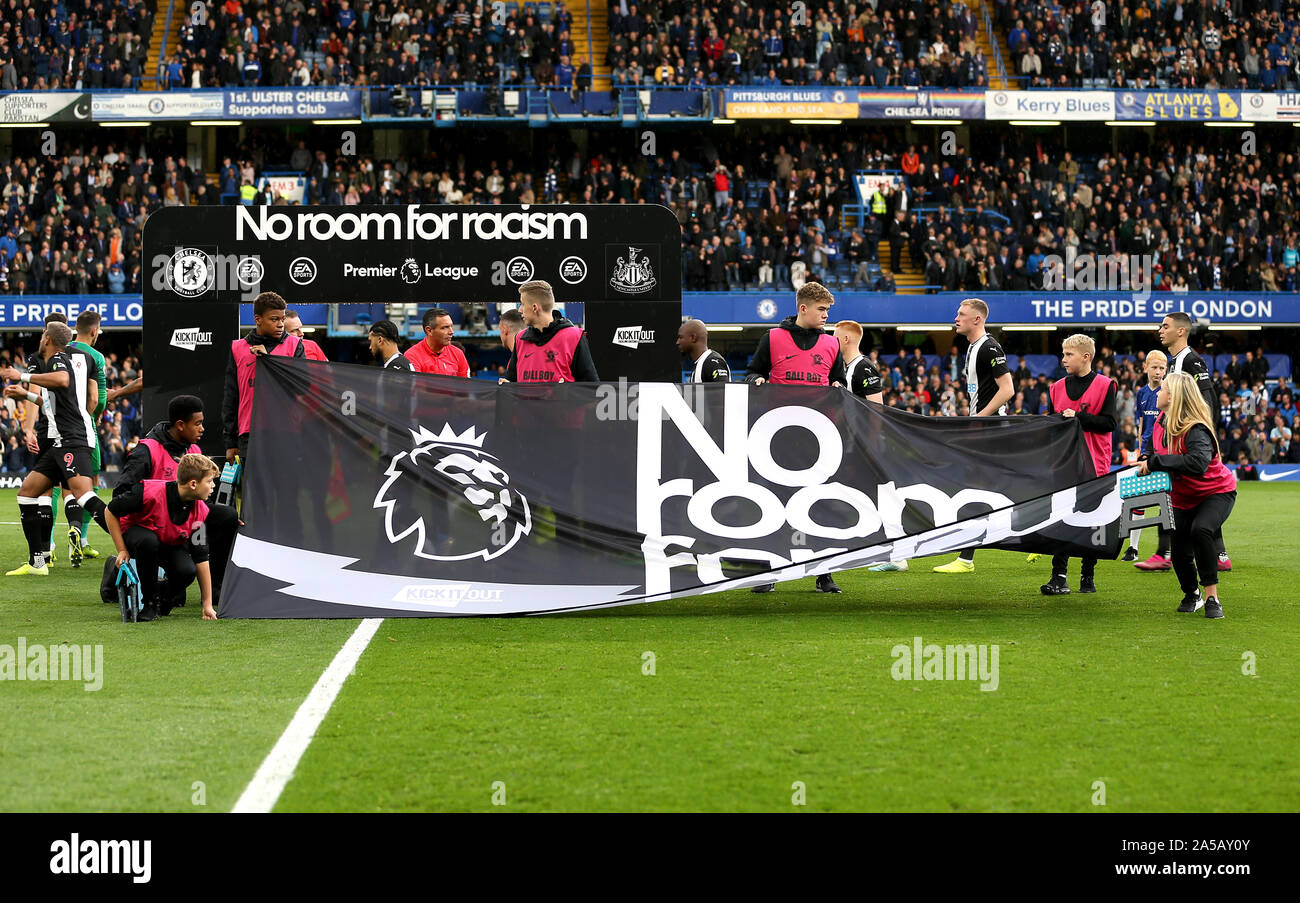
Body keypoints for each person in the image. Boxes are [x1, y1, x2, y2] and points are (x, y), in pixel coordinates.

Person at [746, 281, 846, 594]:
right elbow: (750, 373)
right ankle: (768, 572)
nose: (826, 315)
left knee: (819, 506)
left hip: (818, 439)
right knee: (771, 505)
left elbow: (838, 381)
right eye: (821, 309)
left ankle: (824, 573)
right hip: (775, 437)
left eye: (828, 310)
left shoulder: (832, 345)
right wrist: (757, 380)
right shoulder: (772, 337)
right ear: (803, 308)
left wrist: (839, 388)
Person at [1, 322, 108, 576]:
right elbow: (52, 402)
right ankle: (37, 562)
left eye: (42, 335)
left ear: (47, 338)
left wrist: (22, 377)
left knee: (83, 496)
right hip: (59, 440)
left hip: (72, 439)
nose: (40, 338)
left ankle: (130, 542)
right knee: (27, 492)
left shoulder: (59, 359)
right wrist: (24, 395)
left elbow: (62, 380)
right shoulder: (54, 362)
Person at [114, 394, 239, 604]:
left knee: (227, 516)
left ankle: (215, 589)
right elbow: (119, 500)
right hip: (148, 528)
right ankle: (120, 573)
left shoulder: (194, 450)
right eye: (197, 424)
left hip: (181, 523)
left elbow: (199, 501)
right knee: (174, 581)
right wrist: (123, 548)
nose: (202, 429)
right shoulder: (147, 451)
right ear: (180, 425)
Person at [1137, 372, 1237, 619]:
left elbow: (1198, 463)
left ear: (1173, 397)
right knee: (1179, 550)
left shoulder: (1195, 427)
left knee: (1201, 530)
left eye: (1162, 389)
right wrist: (1144, 460)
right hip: (1182, 497)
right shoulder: (1161, 419)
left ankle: (1212, 597)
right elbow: (1151, 449)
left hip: (1216, 492)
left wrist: (1156, 461)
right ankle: (1192, 594)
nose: (1158, 393)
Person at [934, 297, 1014, 574]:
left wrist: (980, 417)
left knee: (973, 490)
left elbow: (1007, 389)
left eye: (961, 313)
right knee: (981, 490)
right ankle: (966, 555)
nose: (956, 317)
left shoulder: (989, 347)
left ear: (977, 319)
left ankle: (966, 558)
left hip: (989, 430)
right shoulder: (973, 348)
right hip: (982, 428)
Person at [1039, 334, 1116, 596]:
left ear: (1086, 357)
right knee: (1061, 519)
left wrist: (1078, 417)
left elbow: (1109, 423)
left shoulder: (1106, 385)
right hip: (1064, 463)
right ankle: (1058, 575)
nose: (1063, 359)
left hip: (1095, 462)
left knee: (1091, 519)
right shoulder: (1056, 388)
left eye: (1068, 354)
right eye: (1063, 353)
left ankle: (1088, 573)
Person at [102, 453, 219, 621]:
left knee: (187, 571)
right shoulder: (149, 493)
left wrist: (207, 605)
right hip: (137, 536)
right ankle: (149, 603)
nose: (213, 486)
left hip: (167, 541)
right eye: (209, 481)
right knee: (148, 541)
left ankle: (162, 599)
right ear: (193, 484)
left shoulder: (201, 511)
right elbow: (110, 511)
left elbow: (201, 558)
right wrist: (122, 550)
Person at [1157, 311, 1230, 571]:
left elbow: (1207, 401)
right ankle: (1178, 551)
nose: (1160, 330)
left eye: (1165, 326)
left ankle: (1217, 554)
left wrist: (1203, 435)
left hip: (1195, 440)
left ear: (1181, 331)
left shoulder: (1192, 361)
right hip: (1183, 439)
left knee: (1202, 492)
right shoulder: (1173, 361)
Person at [222, 291, 305, 472]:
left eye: (282, 319)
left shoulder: (294, 345)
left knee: (286, 495)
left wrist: (269, 362)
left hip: (286, 433)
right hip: (249, 435)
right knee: (254, 497)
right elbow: (231, 398)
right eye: (274, 319)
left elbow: (302, 387)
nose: (281, 324)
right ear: (258, 319)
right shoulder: (237, 348)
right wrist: (230, 441)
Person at [66, 309, 108, 562]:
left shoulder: (62, 350)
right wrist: (95, 415)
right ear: (93, 331)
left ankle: (47, 547)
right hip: (84, 425)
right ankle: (81, 539)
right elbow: (98, 398)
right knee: (90, 481)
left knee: (60, 483)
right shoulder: (95, 356)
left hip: (59, 425)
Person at [502, 281, 599, 383]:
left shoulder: (574, 337)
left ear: (535, 307)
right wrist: (507, 386)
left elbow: (590, 388)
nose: (519, 310)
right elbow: (512, 381)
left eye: (522, 304)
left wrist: (566, 394)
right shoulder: (520, 339)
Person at [1133, 349, 1173, 569]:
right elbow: (1141, 425)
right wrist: (1141, 450)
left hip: (1163, 452)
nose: (1158, 372)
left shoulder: (1171, 391)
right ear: (1146, 368)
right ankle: (1135, 547)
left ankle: (1164, 552)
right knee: (1141, 499)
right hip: (1148, 453)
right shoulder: (1142, 393)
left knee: (1166, 501)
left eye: (1162, 368)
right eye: (1154, 368)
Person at [404, 307, 469, 376]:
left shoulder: (458, 354)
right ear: (429, 331)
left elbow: (464, 385)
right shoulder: (412, 356)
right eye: (445, 327)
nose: (451, 332)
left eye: (451, 326)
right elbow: (415, 385)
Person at [677, 318, 730, 383]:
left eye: (680, 337)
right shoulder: (700, 363)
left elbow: (724, 391)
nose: (677, 342)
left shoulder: (712, 362)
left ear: (693, 338)